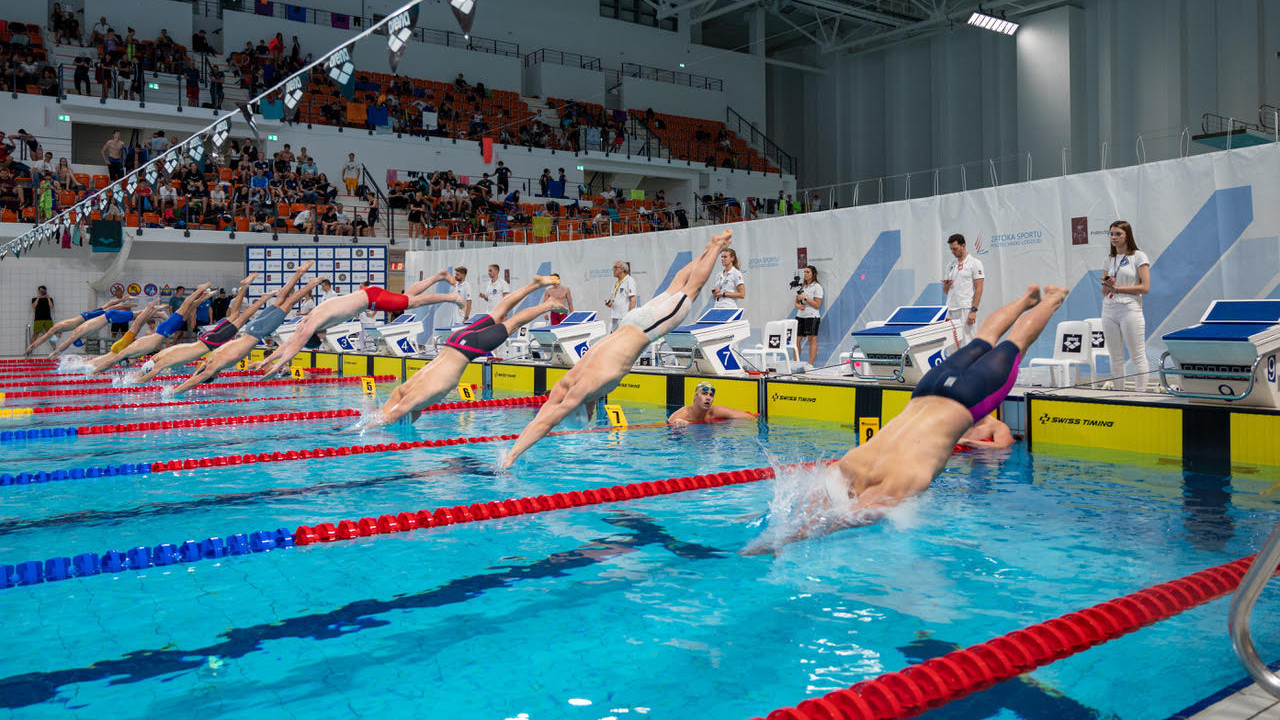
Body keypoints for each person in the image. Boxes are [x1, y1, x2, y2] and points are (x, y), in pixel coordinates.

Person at [743, 284, 1068, 554]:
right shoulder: (859, 470)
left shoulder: (860, 469)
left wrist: (783, 538)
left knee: (1008, 342)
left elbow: (842, 514)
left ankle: (1048, 299)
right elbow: (833, 508)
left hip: (951, 396)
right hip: (931, 392)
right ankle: (1034, 297)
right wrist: (784, 534)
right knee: (986, 338)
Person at [499, 229, 733, 470]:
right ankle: (709, 248)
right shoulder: (566, 382)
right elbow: (541, 417)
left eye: (586, 417)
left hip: (645, 330)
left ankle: (716, 247)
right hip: (630, 321)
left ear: (581, 410)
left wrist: (511, 458)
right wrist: (512, 450)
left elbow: (546, 422)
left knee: (690, 290)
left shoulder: (584, 389)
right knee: (674, 288)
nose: (591, 417)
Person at [375, 276, 567, 426]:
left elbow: (396, 412)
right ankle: (533, 285)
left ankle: (548, 304)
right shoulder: (408, 389)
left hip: (466, 349)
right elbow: (399, 408)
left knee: (512, 323)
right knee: (497, 314)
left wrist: (372, 427)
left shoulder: (413, 396)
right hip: (455, 341)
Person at [250, 270, 463, 377]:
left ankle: (451, 296)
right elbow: (289, 343)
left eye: (321, 339)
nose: (325, 337)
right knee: (408, 298)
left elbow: (295, 347)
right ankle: (437, 277)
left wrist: (274, 368)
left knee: (412, 302)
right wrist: (264, 362)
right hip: (368, 297)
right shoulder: (308, 321)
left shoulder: (314, 323)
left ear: (317, 335)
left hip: (370, 299)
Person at [168, 266, 322, 394]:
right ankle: (298, 273)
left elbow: (197, 379)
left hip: (257, 332)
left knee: (287, 303)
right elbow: (196, 375)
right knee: (280, 300)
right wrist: (183, 383)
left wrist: (175, 392)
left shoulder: (215, 366)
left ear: (213, 376)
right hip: (250, 328)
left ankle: (311, 283)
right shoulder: (209, 360)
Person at [1100, 220, 1151, 389]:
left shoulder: (1138, 256)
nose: (1114, 238)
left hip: (1130, 308)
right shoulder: (1109, 259)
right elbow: (1104, 292)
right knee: (1115, 356)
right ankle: (1118, 395)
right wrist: (1108, 284)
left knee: (1137, 355)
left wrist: (1118, 287)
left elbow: (1145, 287)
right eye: (1112, 234)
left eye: (1118, 234)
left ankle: (1140, 396)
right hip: (1109, 309)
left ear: (1127, 235)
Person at [23, 298, 130, 356]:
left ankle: (125, 304)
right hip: (85, 317)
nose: (58, 337)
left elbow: (43, 338)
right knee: (106, 307)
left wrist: (31, 347)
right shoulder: (61, 328)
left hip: (86, 317)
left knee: (109, 310)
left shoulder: (56, 328)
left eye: (57, 336)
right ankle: (123, 300)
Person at [50, 302, 139, 357]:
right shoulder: (81, 330)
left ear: (81, 339)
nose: (85, 341)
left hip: (110, 317)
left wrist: (56, 351)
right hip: (104, 316)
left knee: (138, 315)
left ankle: (148, 309)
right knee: (135, 316)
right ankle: (129, 304)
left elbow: (67, 343)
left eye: (83, 342)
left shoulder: (81, 332)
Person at [942, 233, 984, 346]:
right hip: (951, 309)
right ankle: (953, 364)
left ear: (963, 246)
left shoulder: (975, 263)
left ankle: (971, 364)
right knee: (951, 344)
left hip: (966, 308)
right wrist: (947, 285)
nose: (953, 252)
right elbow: (946, 291)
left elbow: (979, 288)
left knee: (968, 342)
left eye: (955, 249)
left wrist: (973, 310)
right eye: (951, 249)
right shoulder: (950, 265)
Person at [667, 380, 755, 426]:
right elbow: (669, 429)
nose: (708, 398)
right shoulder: (682, 415)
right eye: (704, 394)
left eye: (711, 395)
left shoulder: (715, 411)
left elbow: (750, 417)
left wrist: (732, 424)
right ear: (695, 397)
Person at [794, 265, 823, 366]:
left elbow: (817, 305)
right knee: (796, 340)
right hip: (800, 316)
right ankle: (795, 363)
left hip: (812, 316)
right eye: (805, 272)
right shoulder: (802, 286)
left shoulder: (817, 287)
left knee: (812, 339)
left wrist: (805, 298)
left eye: (808, 272)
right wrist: (798, 305)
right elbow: (796, 301)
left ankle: (810, 364)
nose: (805, 274)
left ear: (813, 274)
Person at [605, 260, 637, 332]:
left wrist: (630, 317)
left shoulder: (629, 281)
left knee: (624, 337)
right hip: (615, 316)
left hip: (624, 317)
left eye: (615, 268)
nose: (613, 270)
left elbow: (633, 299)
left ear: (622, 269)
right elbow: (617, 300)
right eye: (613, 268)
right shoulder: (616, 283)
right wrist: (609, 303)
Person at [30, 286, 54, 350]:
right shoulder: (34, 299)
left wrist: (48, 298)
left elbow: (51, 307)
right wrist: (38, 297)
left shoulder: (50, 299)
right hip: (38, 319)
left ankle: (55, 349)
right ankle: (31, 349)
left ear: (46, 291)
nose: (42, 292)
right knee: (35, 334)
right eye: (41, 291)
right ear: (38, 291)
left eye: (43, 291)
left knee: (51, 334)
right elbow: (34, 306)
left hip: (48, 319)